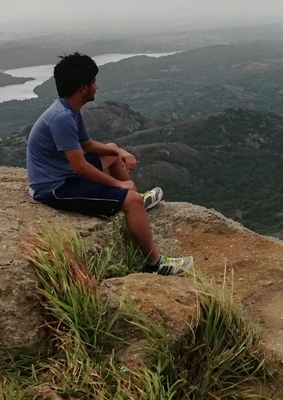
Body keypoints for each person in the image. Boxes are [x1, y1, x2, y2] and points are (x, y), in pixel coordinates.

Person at [26, 53, 193, 276]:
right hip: (55, 188)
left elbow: (87, 145)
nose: (96, 86)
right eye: (93, 81)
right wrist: (118, 184)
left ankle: (135, 203)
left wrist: (118, 151)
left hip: (64, 175)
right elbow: (81, 168)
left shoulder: (68, 110)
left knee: (112, 150)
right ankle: (156, 264)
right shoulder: (62, 118)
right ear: (83, 88)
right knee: (130, 198)